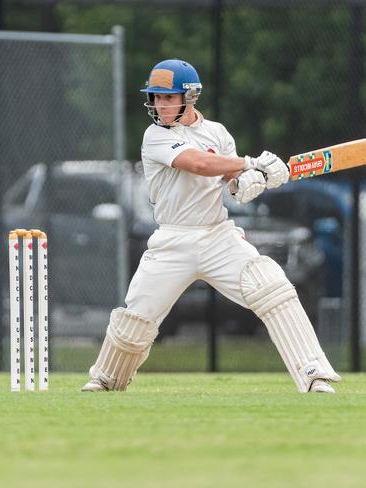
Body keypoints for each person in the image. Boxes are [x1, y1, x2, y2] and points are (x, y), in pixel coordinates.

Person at [82, 59, 340, 394]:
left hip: (217, 235)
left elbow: (233, 181)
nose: (160, 105)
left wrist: (255, 179)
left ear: (189, 97)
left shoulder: (217, 133)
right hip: (173, 239)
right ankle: (107, 377)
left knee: (271, 285)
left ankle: (314, 374)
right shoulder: (155, 136)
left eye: (167, 97)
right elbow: (200, 164)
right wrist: (253, 162)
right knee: (136, 321)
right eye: (156, 98)